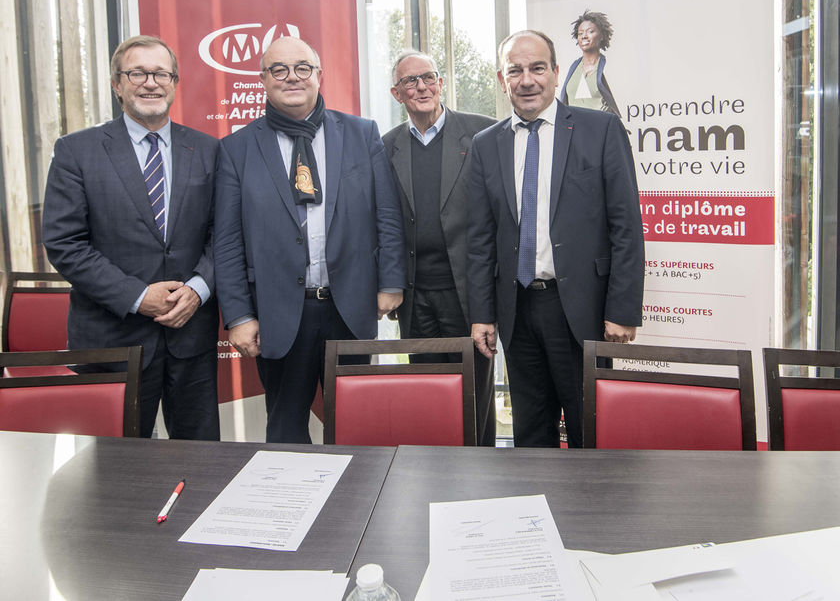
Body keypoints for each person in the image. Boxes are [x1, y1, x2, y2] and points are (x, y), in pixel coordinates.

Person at [214, 36, 405, 443]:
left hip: (349, 306)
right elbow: (227, 241)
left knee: (355, 426)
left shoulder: (361, 133)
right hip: (279, 313)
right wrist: (239, 316)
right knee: (285, 430)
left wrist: (391, 282)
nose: (292, 77)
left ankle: (354, 506)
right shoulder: (236, 149)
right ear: (263, 79)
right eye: (279, 70)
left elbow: (386, 213)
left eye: (303, 67)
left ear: (319, 75)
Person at [468, 30, 644, 448]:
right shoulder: (485, 145)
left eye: (537, 68)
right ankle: (537, 510)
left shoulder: (599, 130)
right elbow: (479, 238)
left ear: (555, 72)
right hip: (517, 310)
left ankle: (592, 514)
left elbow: (626, 227)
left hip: (584, 310)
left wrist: (623, 310)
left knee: (592, 430)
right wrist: (482, 313)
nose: (527, 79)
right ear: (501, 78)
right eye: (515, 70)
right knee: (530, 431)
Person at [42, 35, 221, 440]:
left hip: (190, 334)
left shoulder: (209, 150)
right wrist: (139, 298)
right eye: (137, 73)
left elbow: (224, 233)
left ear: (175, 82)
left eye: (160, 73)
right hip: (112, 339)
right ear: (117, 84)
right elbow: (65, 243)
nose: (150, 83)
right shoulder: (76, 152)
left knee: (202, 462)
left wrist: (197, 289)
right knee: (111, 472)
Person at [383, 50, 497, 447]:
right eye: (410, 82)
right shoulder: (386, 146)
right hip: (415, 298)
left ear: (442, 83)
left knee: (475, 395)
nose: (421, 87)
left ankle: (481, 473)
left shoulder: (483, 134)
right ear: (397, 94)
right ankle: (436, 473)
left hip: (469, 294)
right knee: (428, 394)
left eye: (428, 77)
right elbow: (384, 223)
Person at [560, 10, 620, 117]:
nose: (584, 36)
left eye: (590, 31)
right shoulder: (573, 67)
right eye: (580, 33)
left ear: (601, 35)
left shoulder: (608, 66)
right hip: (575, 129)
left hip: (600, 128)